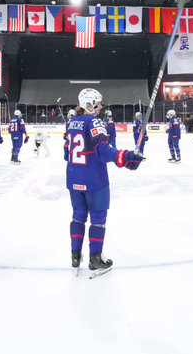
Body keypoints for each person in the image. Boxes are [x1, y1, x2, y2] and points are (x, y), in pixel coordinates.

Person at [65, 88, 143, 278]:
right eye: (97, 104)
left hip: (74, 177)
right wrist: (126, 157)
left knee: (78, 216)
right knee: (98, 217)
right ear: (89, 104)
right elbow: (104, 151)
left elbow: (66, 153)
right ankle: (95, 259)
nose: (100, 107)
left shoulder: (71, 122)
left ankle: (75, 257)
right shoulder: (94, 121)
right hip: (94, 179)